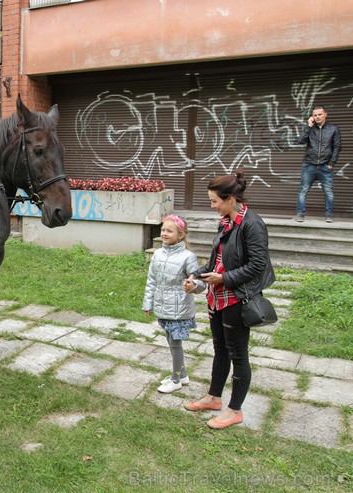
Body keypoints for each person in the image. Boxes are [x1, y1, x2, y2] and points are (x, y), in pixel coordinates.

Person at [182, 170, 275, 429]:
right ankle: (213, 397)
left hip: (237, 298)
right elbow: (217, 263)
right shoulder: (226, 222)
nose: (212, 206)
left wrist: (222, 279)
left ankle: (235, 410)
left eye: (215, 201)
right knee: (220, 349)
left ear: (231, 199)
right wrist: (197, 276)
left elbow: (258, 265)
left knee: (239, 355)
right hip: (218, 297)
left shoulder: (252, 224)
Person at [142, 214, 201, 393]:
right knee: (170, 340)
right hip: (162, 306)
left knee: (175, 343)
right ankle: (182, 375)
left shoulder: (188, 257)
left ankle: (175, 380)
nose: (165, 233)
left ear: (181, 234)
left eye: (169, 230)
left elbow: (199, 280)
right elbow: (152, 280)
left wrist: (194, 285)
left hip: (179, 308)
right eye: (163, 230)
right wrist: (148, 303)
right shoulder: (158, 254)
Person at [295, 105, 341, 223]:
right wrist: (308, 126)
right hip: (309, 165)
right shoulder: (310, 129)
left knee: (328, 191)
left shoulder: (333, 129)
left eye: (320, 114)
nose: (317, 117)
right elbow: (300, 141)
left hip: (325, 166)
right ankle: (300, 214)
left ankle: (329, 215)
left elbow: (337, 147)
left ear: (325, 114)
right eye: (315, 115)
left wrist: (331, 164)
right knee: (303, 190)